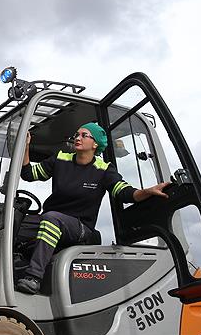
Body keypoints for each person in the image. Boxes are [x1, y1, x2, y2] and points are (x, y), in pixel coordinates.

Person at [15, 122, 170, 295]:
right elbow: (29, 174)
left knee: (52, 219)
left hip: (80, 227)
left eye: (83, 135)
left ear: (95, 144)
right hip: (51, 220)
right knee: (12, 226)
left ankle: (34, 277)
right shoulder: (60, 159)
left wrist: (147, 191)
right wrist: (25, 145)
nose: (77, 138)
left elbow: (124, 192)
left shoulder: (104, 170)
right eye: (77, 135)